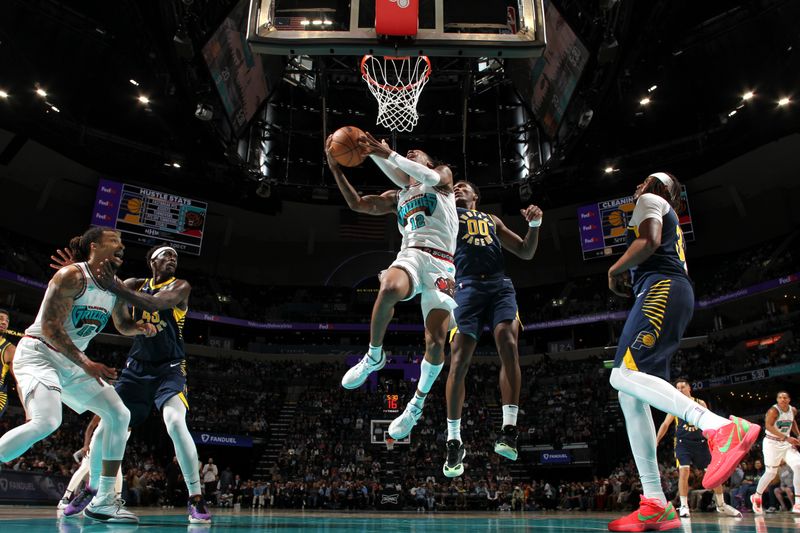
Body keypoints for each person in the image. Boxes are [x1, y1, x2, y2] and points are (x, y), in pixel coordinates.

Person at [605, 172, 760, 531]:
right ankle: (655, 503)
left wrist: (614, 269)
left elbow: (649, 241)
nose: (638, 184)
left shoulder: (651, 200)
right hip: (667, 291)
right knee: (632, 396)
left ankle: (720, 427)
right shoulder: (659, 206)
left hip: (662, 290)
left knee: (620, 375)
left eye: (644, 180)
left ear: (659, 189)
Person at [0, 227, 155, 523]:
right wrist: (86, 363)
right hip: (40, 353)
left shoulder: (116, 286)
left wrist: (139, 328)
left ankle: (102, 499)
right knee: (48, 421)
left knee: (118, 415)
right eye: (114, 242)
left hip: (72, 363)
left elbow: (122, 323)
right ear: (95, 246)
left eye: (122, 243)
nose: (121, 247)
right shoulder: (72, 276)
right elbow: (50, 328)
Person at [53, 243, 211, 523]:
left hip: (170, 368)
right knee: (106, 427)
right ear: (152, 261)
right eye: (166, 255)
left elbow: (154, 303)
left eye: (175, 256)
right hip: (136, 369)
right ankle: (93, 490)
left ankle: (196, 498)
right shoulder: (134, 283)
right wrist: (78, 272)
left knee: (175, 422)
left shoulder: (181, 286)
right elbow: (120, 319)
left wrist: (113, 284)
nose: (172, 259)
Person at [327, 132, 458, 440]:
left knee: (436, 342)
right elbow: (358, 204)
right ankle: (374, 356)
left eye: (417, 151)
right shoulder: (398, 195)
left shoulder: (442, 178)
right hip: (412, 254)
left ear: (428, 161)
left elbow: (422, 174)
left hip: (442, 265)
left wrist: (382, 153)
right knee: (387, 288)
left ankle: (416, 404)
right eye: (407, 152)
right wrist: (338, 167)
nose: (411, 151)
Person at [443, 180, 542, 478]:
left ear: (476, 195)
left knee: (509, 344)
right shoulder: (447, 215)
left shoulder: (492, 220)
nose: (458, 189)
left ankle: (509, 429)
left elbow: (525, 252)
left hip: (500, 286)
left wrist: (535, 225)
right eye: (455, 187)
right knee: (459, 359)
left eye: (464, 187)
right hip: (464, 287)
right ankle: (454, 440)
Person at [655, 377, 741, 517]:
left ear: (689, 388)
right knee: (684, 471)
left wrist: (716, 440)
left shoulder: (700, 403)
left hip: (701, 444)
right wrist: (657, 440)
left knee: (714, 474)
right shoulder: (675, 405)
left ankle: (721, 504)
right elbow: (665, 424)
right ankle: (684, 506)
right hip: (683, 443)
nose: (680, 390)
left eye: (683, 387)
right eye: (678, 388)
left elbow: (708, 422)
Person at [751, 391, 800, 514]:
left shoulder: (792, 410)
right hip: (772, 443)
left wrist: (798, 434)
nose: (782, 399)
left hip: (786, 444)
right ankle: (756, 496)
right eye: (780, 397)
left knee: (798, 465)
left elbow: (792, 421)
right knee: (771, 473)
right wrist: (786, 437)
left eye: (785, 397)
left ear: (789, 399)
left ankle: (798, 503)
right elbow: (768, 426)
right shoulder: (774, 411)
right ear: (777, 400)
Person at [0, 308, 17, 419]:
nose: (4, 322)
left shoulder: (10, 349)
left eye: (7, 321)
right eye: (1, 319)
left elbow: (19, 381)